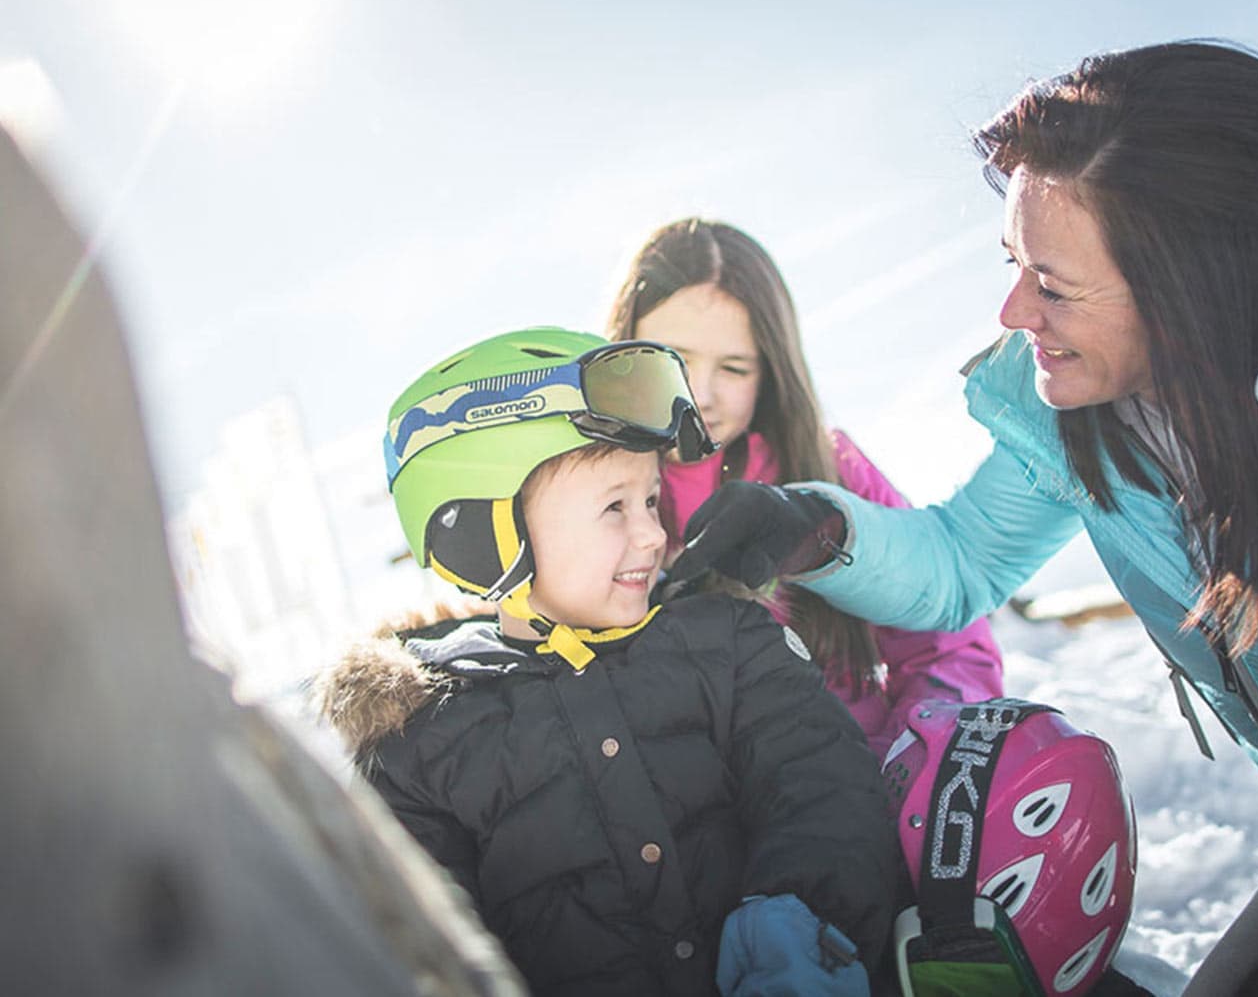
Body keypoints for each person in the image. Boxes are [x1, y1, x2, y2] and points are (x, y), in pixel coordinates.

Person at [664, 41, 1258, 996]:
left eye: (1053, 284)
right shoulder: (1092, 416)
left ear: (1194, 285)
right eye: (1013, 262)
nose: (1014, 310)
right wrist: (809, 527)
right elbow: (959, 563)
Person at [318, 327, 900, 997]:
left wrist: (801, 923)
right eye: (614, 507)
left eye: (651, 500)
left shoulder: (727, 643)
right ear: (485, 532)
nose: (654, 533)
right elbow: (423, 945)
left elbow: (823, 783)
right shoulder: (421, 740)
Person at [606, 217, 1006, 758]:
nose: (699, 394)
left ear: (771, 372)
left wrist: (906, 766)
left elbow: (945, 645)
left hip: (844, 785)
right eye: (672, 358)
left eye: (733, 368)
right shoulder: (581, 483)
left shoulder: (827, 468)